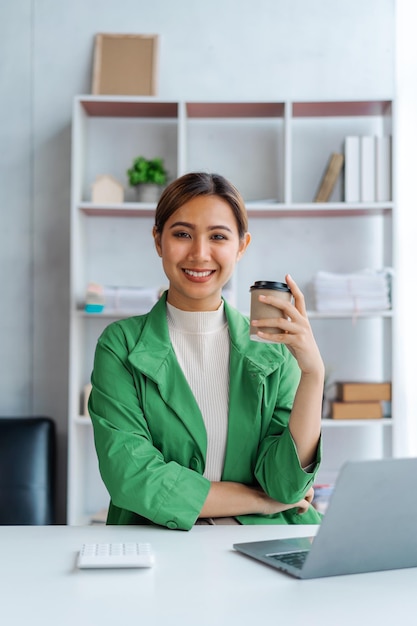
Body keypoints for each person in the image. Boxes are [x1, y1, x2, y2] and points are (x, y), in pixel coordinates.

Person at [89, 172, 325, 530]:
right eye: (182, 234)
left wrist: (313, 373)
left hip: (259, 544)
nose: (200, 254)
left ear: (241, 246)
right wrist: (262, 500)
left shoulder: (273, 350)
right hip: (159, 545)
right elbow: (134, 479)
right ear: (158, 240)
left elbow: (287, 484)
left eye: (218, 237)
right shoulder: (120, 346)